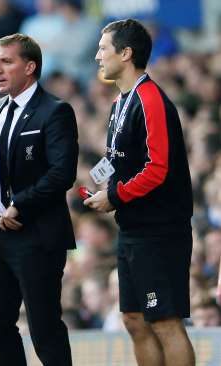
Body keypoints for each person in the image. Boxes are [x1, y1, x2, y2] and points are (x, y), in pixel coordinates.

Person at [85, 19, 195, 366]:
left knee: (164, 320)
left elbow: (157, 168)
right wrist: (100, 188)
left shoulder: (150, 100)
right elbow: (121, 160)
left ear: (126, 53)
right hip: (132, 228)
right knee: (134, 320)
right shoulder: (121, 102)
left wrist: (114, 197)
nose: (97, 56)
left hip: (160, 229)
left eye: (103, 48)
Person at [0, 33, 78, 365]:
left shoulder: (55, 111)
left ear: (30, 67)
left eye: (7, 62)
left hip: (37, 235)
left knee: (44, 327)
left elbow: (62, 173)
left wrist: (21, 204)